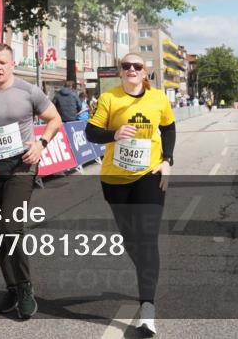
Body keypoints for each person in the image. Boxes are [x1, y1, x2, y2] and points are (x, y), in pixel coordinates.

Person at [0, 43, 62, 320]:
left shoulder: (29, 91)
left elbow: (54, 119)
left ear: (12, 64)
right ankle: (12, 288)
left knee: (11, 227)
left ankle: (25, 288)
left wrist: (41, 143)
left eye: (3, 62)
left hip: (21, 165)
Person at [85, 53, 174, 337]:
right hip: (115, 179)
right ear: (120, 72)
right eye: (126, 66)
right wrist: (114, 134)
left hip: (149, 176)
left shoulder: (158, 98)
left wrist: (167, 160)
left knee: (146, 239)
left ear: (145, 72)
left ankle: (147, 308)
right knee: (131, 241)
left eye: (137, 66)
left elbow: (169, 128)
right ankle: (148, 271)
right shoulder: (109, 99)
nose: (132, 69)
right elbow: (90, 132)